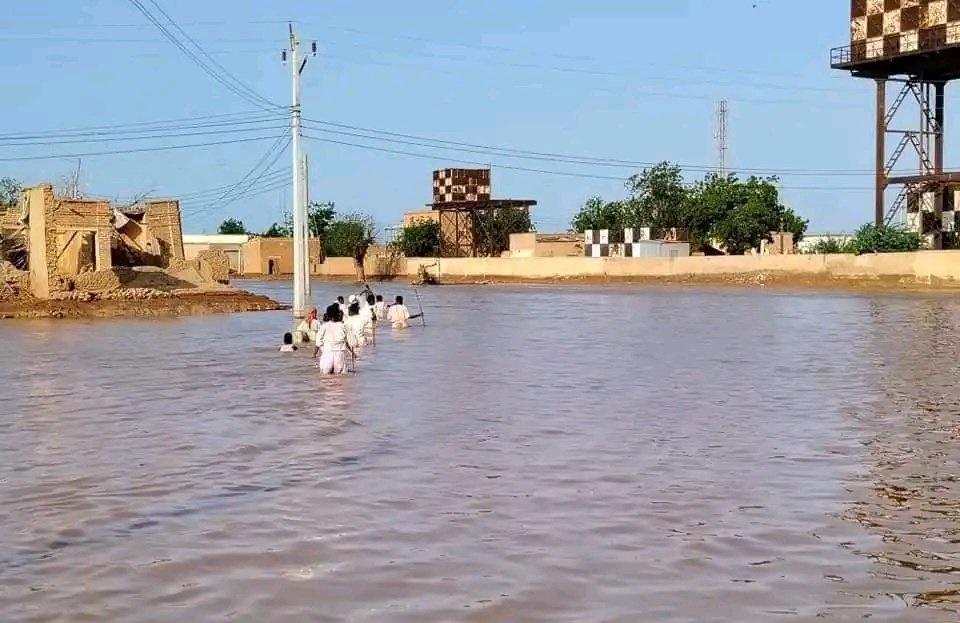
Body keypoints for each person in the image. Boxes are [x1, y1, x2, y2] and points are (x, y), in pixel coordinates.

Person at [316, 304, 352, 375]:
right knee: (339, 381)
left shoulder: (324, 326)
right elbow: (353, 341)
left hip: (327, 354)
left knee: (326, 381)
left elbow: (318, 342)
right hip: (339, 355)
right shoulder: (343, 326)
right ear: (338, 314)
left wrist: (324, 349)